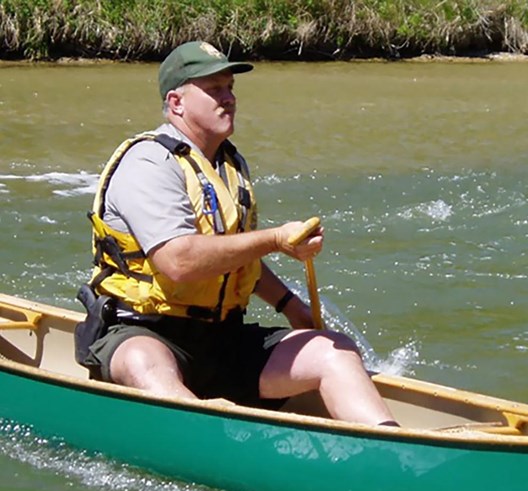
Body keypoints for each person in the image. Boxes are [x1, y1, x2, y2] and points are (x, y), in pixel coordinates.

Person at [76, 40, 399, 427]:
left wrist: (293, 309)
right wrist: (277, 239)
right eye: (214, 90)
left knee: (335, 350)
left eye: (230, 88)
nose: (228, 99)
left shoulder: (229, 162)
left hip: (223, 339)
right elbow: (179, 261)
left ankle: (391, 446)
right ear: (177, 103)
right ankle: (204, 437)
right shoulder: (148, 163)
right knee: (143, 362)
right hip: (145, 330)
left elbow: (234, 258)